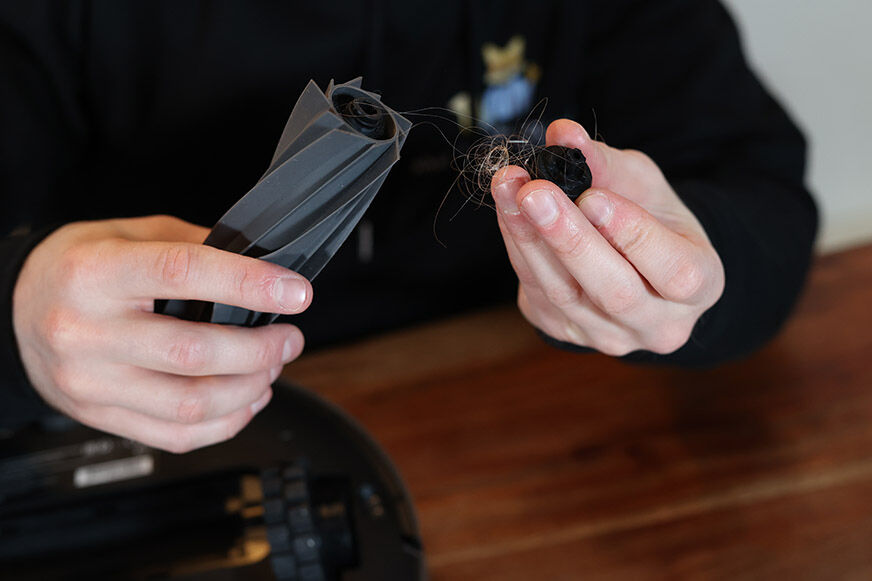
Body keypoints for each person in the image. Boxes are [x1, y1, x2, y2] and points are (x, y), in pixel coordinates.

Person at [0, 1, 817, 451]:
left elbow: (760, 203)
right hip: (134, 442)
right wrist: (20, 316)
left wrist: (677, 282)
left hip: (522, 434)